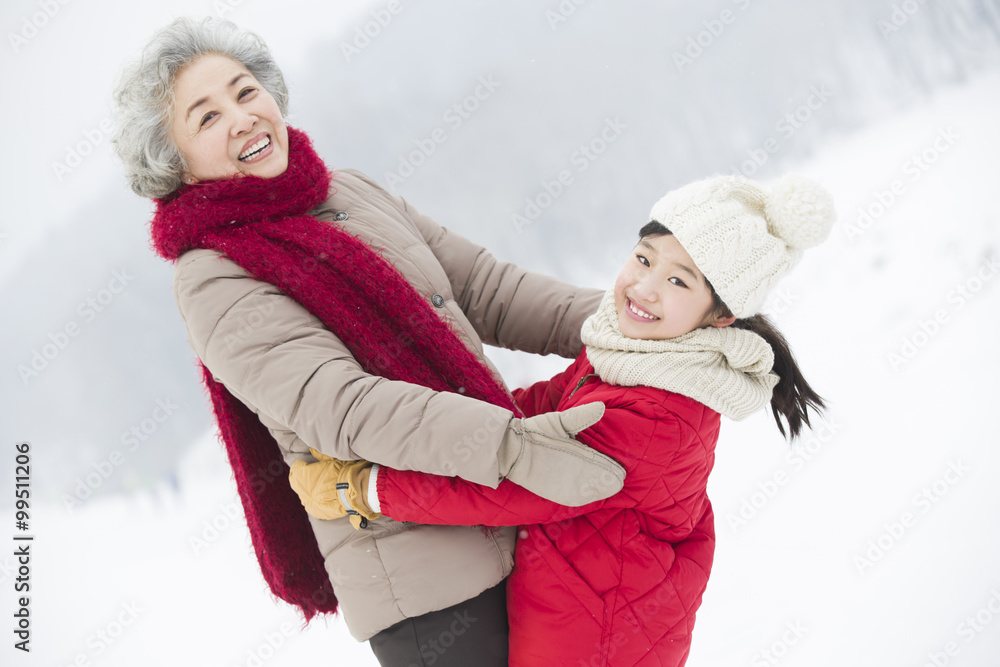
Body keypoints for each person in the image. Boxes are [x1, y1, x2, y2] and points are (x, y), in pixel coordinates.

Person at [111, 16, 627, 667]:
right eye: (206, 117)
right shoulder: (214, 275)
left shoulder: (347, 191)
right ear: (177, 166)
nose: (241, 117)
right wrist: (510, 445)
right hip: (435, 596)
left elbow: (488, 289)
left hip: (517, 522)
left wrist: (636, 327)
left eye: (245, 92)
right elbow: (345, 407)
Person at [290, 174, 836, 665]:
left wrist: (365, 489)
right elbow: (540, 406)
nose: (645, 288)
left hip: (600, 635)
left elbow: (514, 486)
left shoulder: (657, 414)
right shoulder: (636, 354)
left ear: (720, 317)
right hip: (583, 601)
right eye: (645, 259)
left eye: (680, 282)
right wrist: (429, 426)